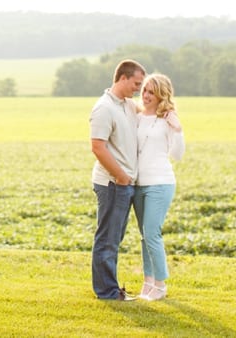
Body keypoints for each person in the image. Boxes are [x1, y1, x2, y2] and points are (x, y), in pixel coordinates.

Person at [90, 59, 146, 300]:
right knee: (108, 239)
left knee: (115, 238)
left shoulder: (127, 105)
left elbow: (151, 112)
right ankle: (108, 292)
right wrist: (121, 177)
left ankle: (110, 288)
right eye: (136, 83)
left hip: (124, 184)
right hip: (113, 184)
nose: (138, 89)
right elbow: (98, 147)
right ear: (122, 78)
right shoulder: (104, 108)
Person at [133, 73, 185, 301]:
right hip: (138, 184)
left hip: (160, 182)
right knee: (144, 236)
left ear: (161, 94)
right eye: (144, 90)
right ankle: (148, 282)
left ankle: (161, 285)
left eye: (151, 92)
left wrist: (178, 130)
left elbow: (178, 155)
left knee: (152, 233)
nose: (146, 95)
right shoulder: (135, 117)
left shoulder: (168, 119)